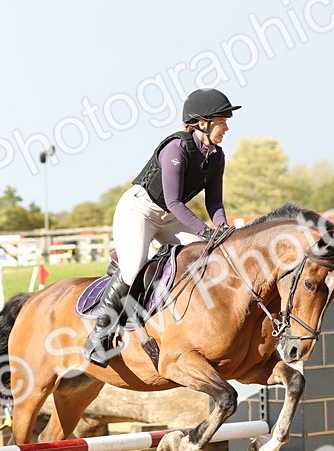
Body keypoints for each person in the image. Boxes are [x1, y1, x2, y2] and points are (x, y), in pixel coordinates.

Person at [83, 88, 239, 366]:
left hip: (169, 216)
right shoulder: (176, 149)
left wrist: (222, 229)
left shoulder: (217, 156)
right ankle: (98, 336)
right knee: (133, 267)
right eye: (222, 121)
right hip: (139, 210)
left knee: (207, 254)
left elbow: (214, 201)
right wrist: (205, 231)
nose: (226, 127)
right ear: (202, 122)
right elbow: (174, 201)